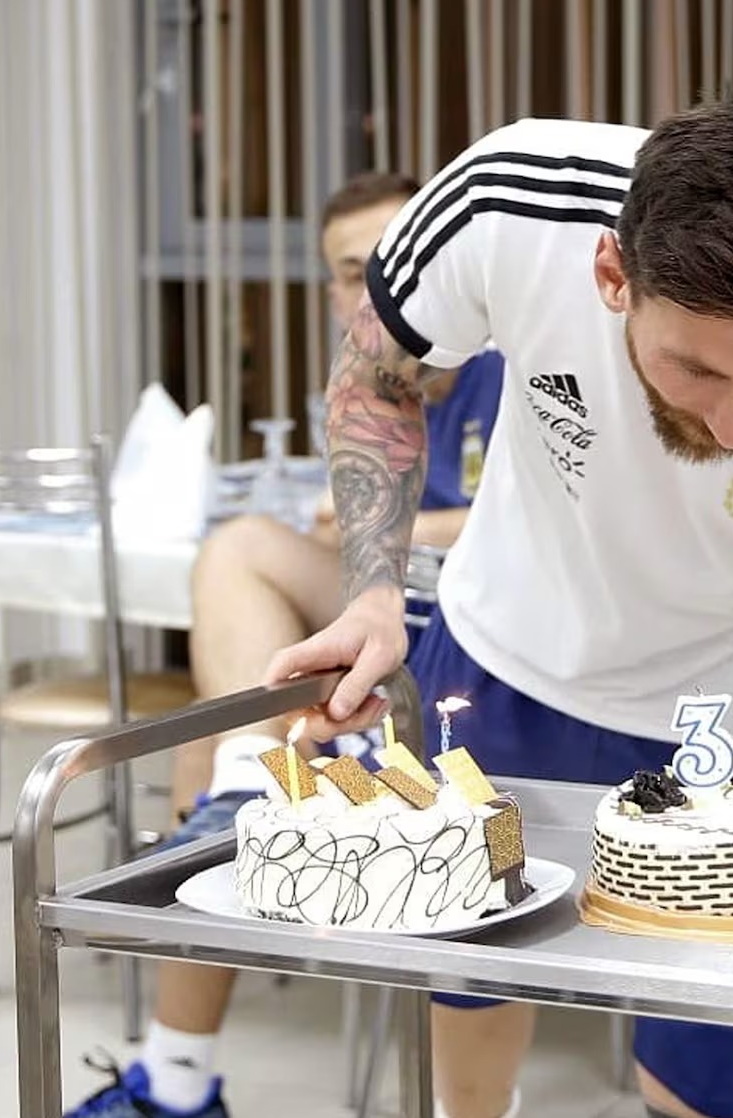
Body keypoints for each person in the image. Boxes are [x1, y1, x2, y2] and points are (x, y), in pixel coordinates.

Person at [268, 98, 733, 1118]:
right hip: (502, 664)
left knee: (701, 1080)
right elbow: (376, 372)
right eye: (697, 367)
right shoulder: (510, 204)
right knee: (473, 997)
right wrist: (370, 589)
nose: (732, 420)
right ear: (613, 275)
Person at [65, 172, 505, 1118]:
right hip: (388, 626)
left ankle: (174, 1082)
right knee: (238, 638)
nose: (376, 288)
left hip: (484, 646)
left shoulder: (508, 366)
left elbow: (535, 530)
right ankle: (239, 786)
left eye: (393, 261)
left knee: (228, 716)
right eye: (353, 273)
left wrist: (400, 529)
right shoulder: (365, 381)